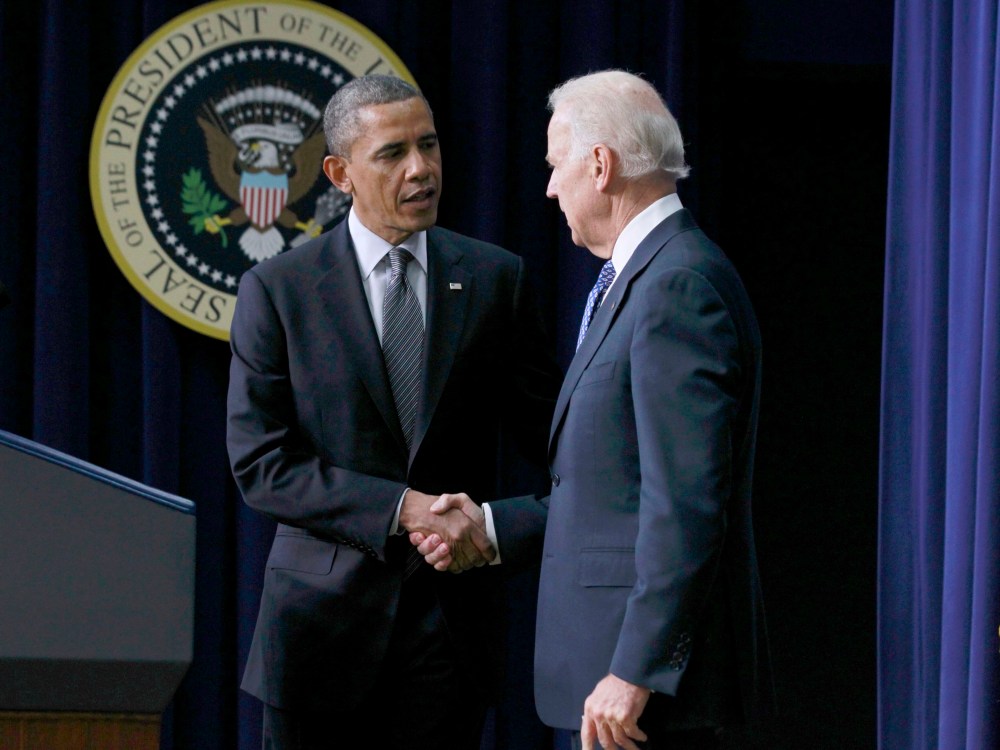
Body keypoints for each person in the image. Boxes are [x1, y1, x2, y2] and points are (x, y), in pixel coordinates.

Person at [415, 70, 775, 750]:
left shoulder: (677, 286)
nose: (550, 188)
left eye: (556, 166)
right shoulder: (641, 280)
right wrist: (490, 527)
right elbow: (614, 491)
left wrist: (636, 668)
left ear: (600, 165)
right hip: (612, 686)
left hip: (640, 698)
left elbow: (689, 503)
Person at [226, 74, 560, 750]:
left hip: (451, 636)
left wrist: (504, 528)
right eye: (393, 153)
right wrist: (402, 508)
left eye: (429, 146)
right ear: (339, 171)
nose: (421, 170)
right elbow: (262, 464)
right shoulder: (279, 291)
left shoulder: (497, 280)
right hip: (318, 639)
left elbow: (557, 440)